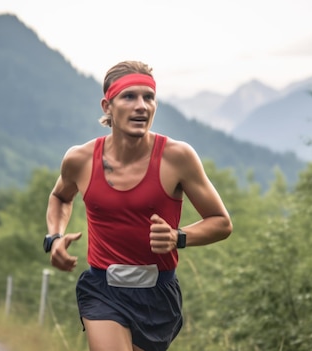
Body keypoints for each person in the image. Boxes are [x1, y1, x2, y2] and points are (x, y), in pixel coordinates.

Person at [44, 60, 232, 351]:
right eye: (129, 97)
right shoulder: (79, 159)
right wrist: (54, 237)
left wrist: (177, 237)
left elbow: (221, 222)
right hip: (102, 289)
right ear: (107, 106)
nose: (141, 106)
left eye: (149, 97)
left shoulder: (177, 157)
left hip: (158, 294)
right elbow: (60, 196)